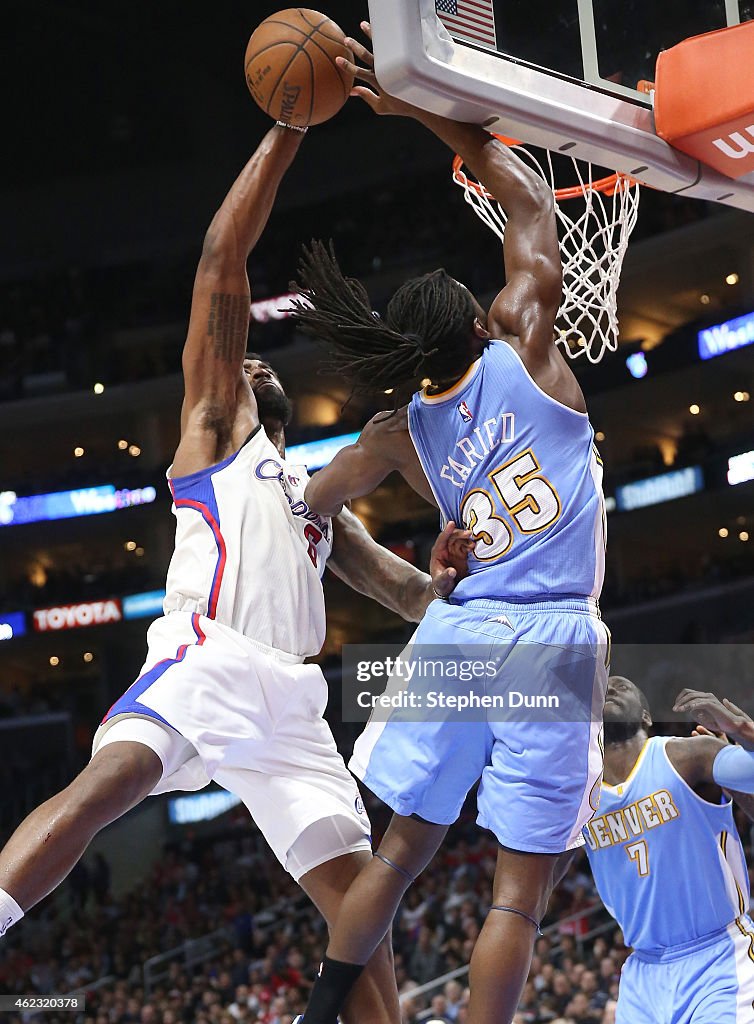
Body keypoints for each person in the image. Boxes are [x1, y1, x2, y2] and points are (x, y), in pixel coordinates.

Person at [0, 122, 464, 1024]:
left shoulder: (321, 501)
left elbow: (410, 597)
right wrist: (291, 126)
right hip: (207, 656)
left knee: (362, 914)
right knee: (112, 786)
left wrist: (451, 568)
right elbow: (223, 254)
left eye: (255, 361)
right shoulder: (217, 432)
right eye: (241, 359)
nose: (245, 362)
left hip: (292, 705)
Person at [291, 24, 610, 1024]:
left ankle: (317, 1014)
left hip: (462, 629)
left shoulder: (401, 430)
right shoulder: (528, 340)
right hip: (551, 633)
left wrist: (315, 524)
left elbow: (317, 497)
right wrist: (411, 102)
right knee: (517, 890)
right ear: (480, 316)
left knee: (398, 850)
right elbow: (514, 189)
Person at [584, 677, 754, 1023]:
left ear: (646, 716)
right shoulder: (579, 796)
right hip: (643, 973)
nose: (611, 688)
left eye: (622, 686)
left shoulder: (686, 755)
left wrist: (743, 731)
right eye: (603, 687)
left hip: (718, 957)